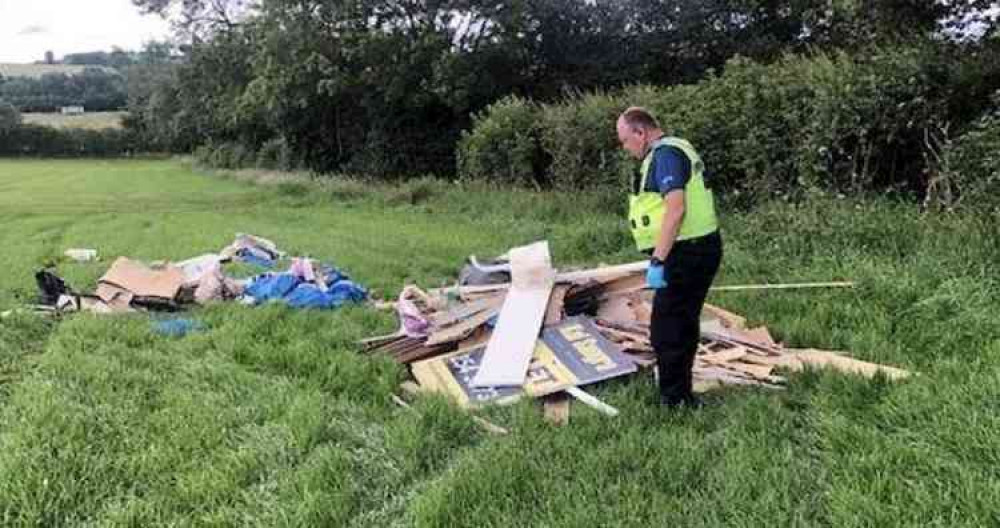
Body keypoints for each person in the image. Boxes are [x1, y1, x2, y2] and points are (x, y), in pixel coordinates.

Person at [616, 107, 723, 407]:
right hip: (696, 248)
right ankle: (681, 394)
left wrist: (658, 261)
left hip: (687, 252)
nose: (626, 148)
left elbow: (676, 209)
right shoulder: (672, 150)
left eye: (626, 140)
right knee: (681, 321)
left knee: (668, 328)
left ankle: (676, 401)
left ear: (641, 132)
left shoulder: (665, 156)